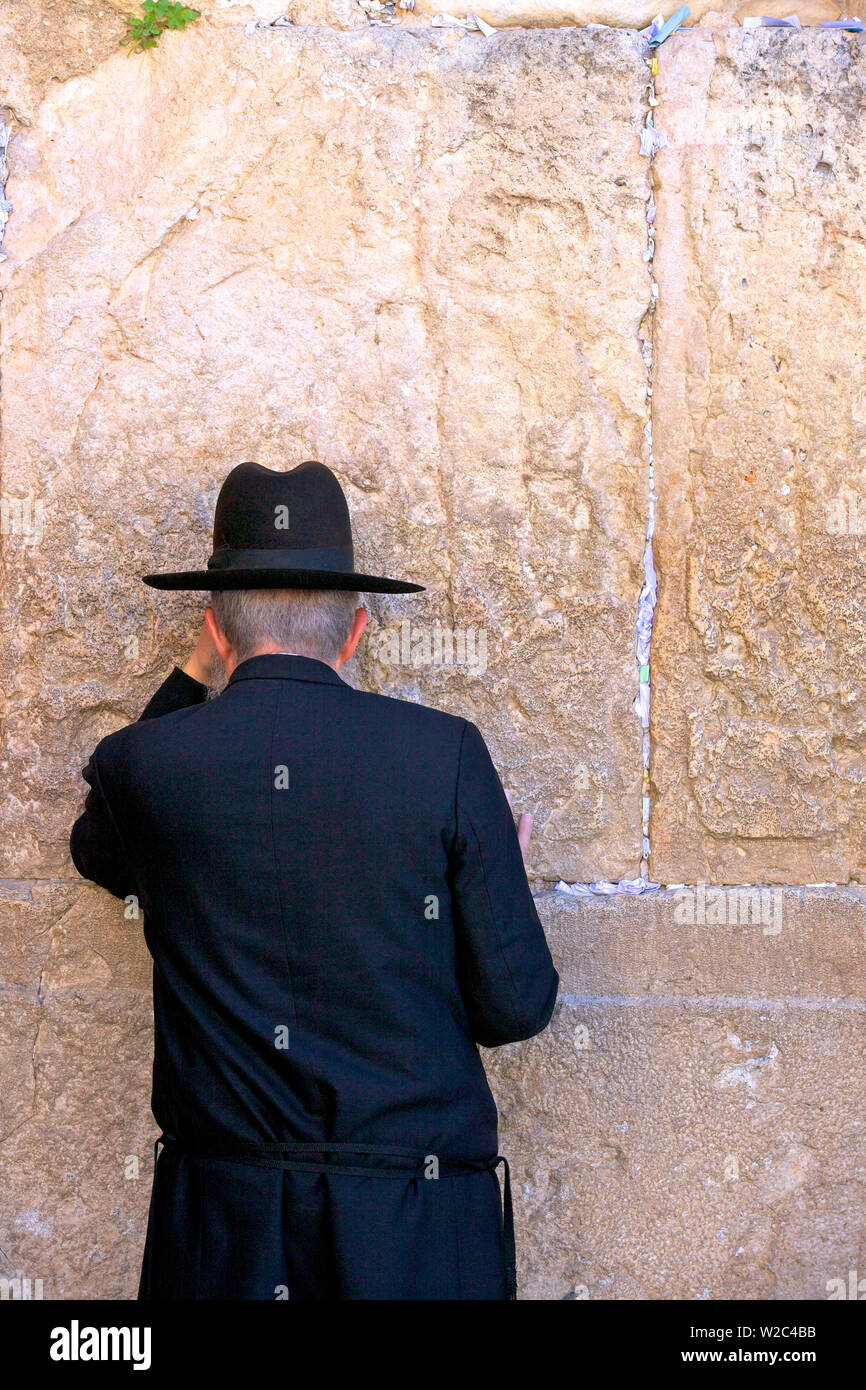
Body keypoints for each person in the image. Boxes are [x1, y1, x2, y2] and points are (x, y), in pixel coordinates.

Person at [70, 458, 560, 1300]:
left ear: (215, 631)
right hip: (415, 1226)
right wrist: (500, 871)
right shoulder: (445, 756)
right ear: (358, 630)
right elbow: (515, 1009)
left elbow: (96, 852)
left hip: (225, 1229)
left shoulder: (142, 765)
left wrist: (193, 673)